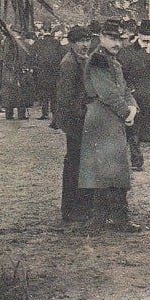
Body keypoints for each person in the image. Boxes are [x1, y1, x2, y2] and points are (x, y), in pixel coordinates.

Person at [78, 20, 141, 233]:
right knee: (101, 168)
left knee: (117, 168)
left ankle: (119, 217)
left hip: (114, 118)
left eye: (120, 39)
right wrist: (126, 112)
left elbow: (123, 89)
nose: (117, 43)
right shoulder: (98, 60)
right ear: (102, 37)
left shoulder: (112, 60)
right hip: (101, 117)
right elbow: (107, 93)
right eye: (113, 38)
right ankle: (99, 218)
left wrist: (132, 107)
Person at [117, 19, 150, 170]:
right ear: (138, 34)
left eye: (149, 36)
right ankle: (137, 161)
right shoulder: (127, 52)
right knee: (134, 130)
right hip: (136, 96)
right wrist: (131, 89)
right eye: (144, 35)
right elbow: (122, 75)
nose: (146, 39)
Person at [56, 26, 94, 223]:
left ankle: (80, 206)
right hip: (75, 121)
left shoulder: (82, 59)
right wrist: (78, 115)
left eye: (87, 40)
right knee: (74, 164)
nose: (85, 45)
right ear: (72, 43)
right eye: (80, 41)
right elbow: (65, 97)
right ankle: (71, 209)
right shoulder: (69, 63)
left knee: (80, 163)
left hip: (81, 118)